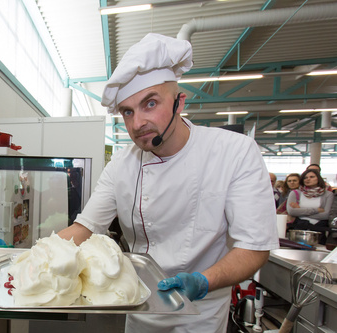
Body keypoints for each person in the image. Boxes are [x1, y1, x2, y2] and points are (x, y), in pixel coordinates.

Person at [57, 33, 279, 333]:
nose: (137, 124)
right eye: (128, 112)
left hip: (200, 312)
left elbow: (254, 248)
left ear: (179, 102)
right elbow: (84, 228)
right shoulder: (122, 164)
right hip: (138, 305)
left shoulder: (233, 152)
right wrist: (24, 258)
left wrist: (203, 281)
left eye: (150, 104)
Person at [287, 168, 334, 244]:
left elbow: (326, 215)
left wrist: (300, 210)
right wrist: (316, 210)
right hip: (299, 229)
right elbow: (292, 211)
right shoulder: (295, 193)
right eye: (305, 177)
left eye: (312, 177)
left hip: (318, 230)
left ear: (318, 178)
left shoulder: (328, 195)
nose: (308, 179)